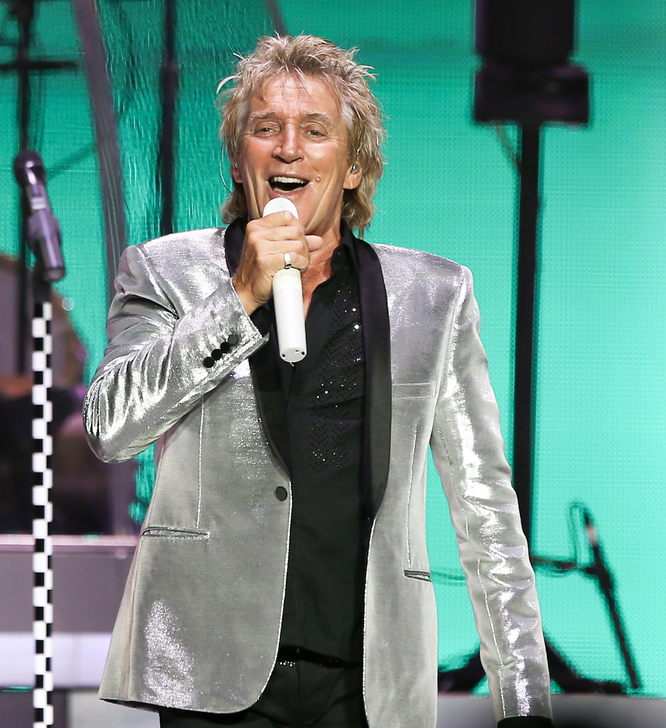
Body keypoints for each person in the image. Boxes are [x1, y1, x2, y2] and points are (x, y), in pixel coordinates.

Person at [84, 35, 553, 728]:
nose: (288, 148)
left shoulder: (432, 295)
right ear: (241, 163)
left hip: (366, 683)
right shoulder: (165, 273)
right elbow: (109, 427)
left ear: (355, 165)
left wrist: (524, 700)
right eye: (265, 129)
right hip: (214, 676)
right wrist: (235, 300)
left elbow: (486, 506)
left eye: (314, 130)